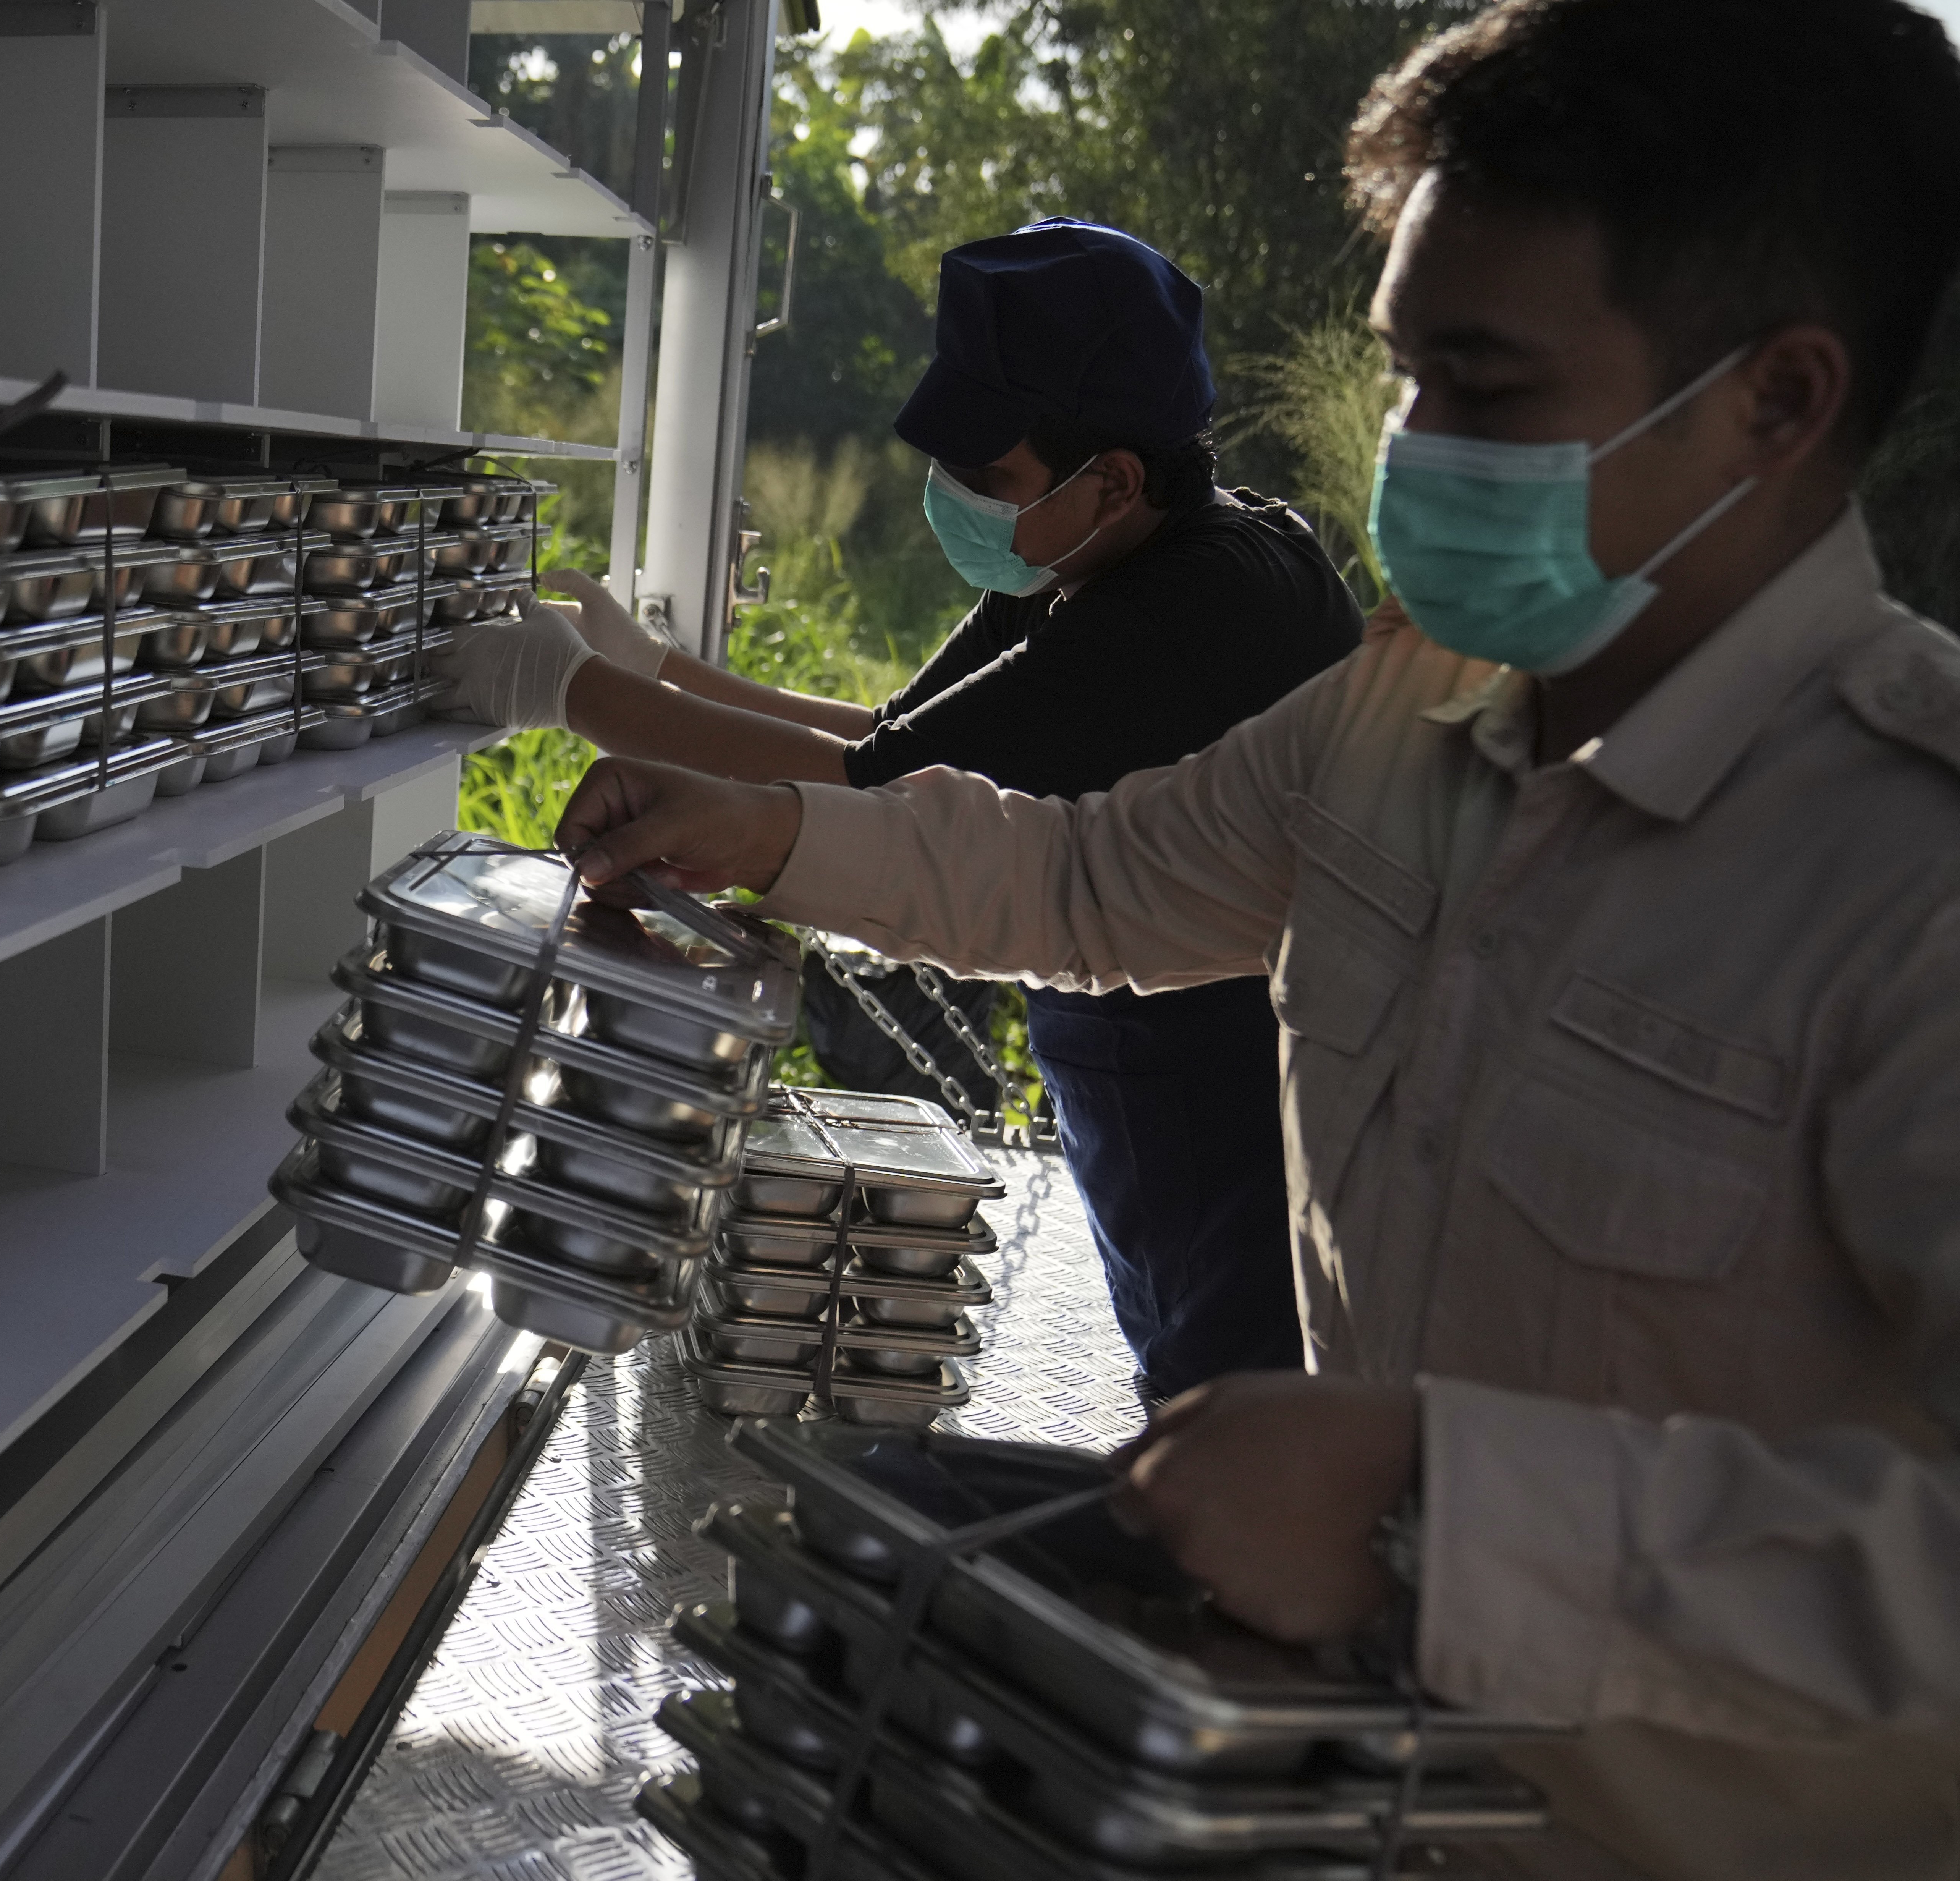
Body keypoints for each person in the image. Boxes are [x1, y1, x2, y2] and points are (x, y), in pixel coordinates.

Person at [548, 0, 1960, 1873]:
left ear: (1773, 400)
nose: (1412, 452)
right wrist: (767, 833)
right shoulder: (1408, 714)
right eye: (1402, 379)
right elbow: (1091, 883)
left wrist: (1436, 1506)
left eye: (1486, 386)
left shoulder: (1904, 872)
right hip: (1331, 1792)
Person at [437, 221, 1362, 1401]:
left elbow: (869, 799)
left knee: (1233, 1414)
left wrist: (572, 693)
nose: (955, 501)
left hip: (1226, 1112)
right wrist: (656, 673)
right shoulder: (1093, 553)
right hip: (1134, 1078)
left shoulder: (1187, 618)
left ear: (1114, 476)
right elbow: (891, 739)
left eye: (989, 479)